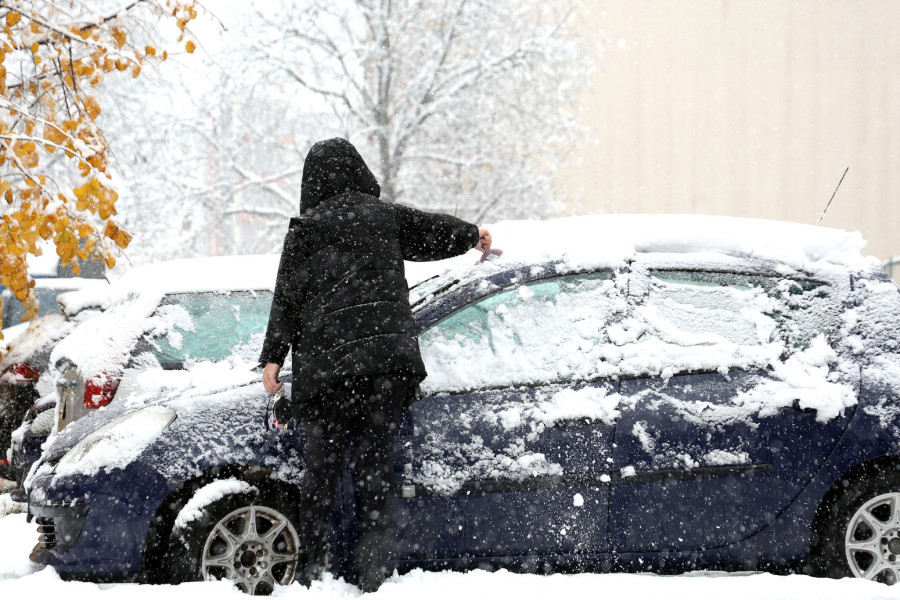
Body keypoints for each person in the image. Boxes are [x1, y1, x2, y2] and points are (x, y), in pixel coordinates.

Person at [259, 137, 491, 591]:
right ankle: (373, 574)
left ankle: (312, 572)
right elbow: (431, 231)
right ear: (359, 171)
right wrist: (471, 234)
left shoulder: (304, 231)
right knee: (375, 472)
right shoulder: (383, 217)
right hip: (385, 371)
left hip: (328, 377)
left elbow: (286, 297)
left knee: (321, 474)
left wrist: (273, 358)